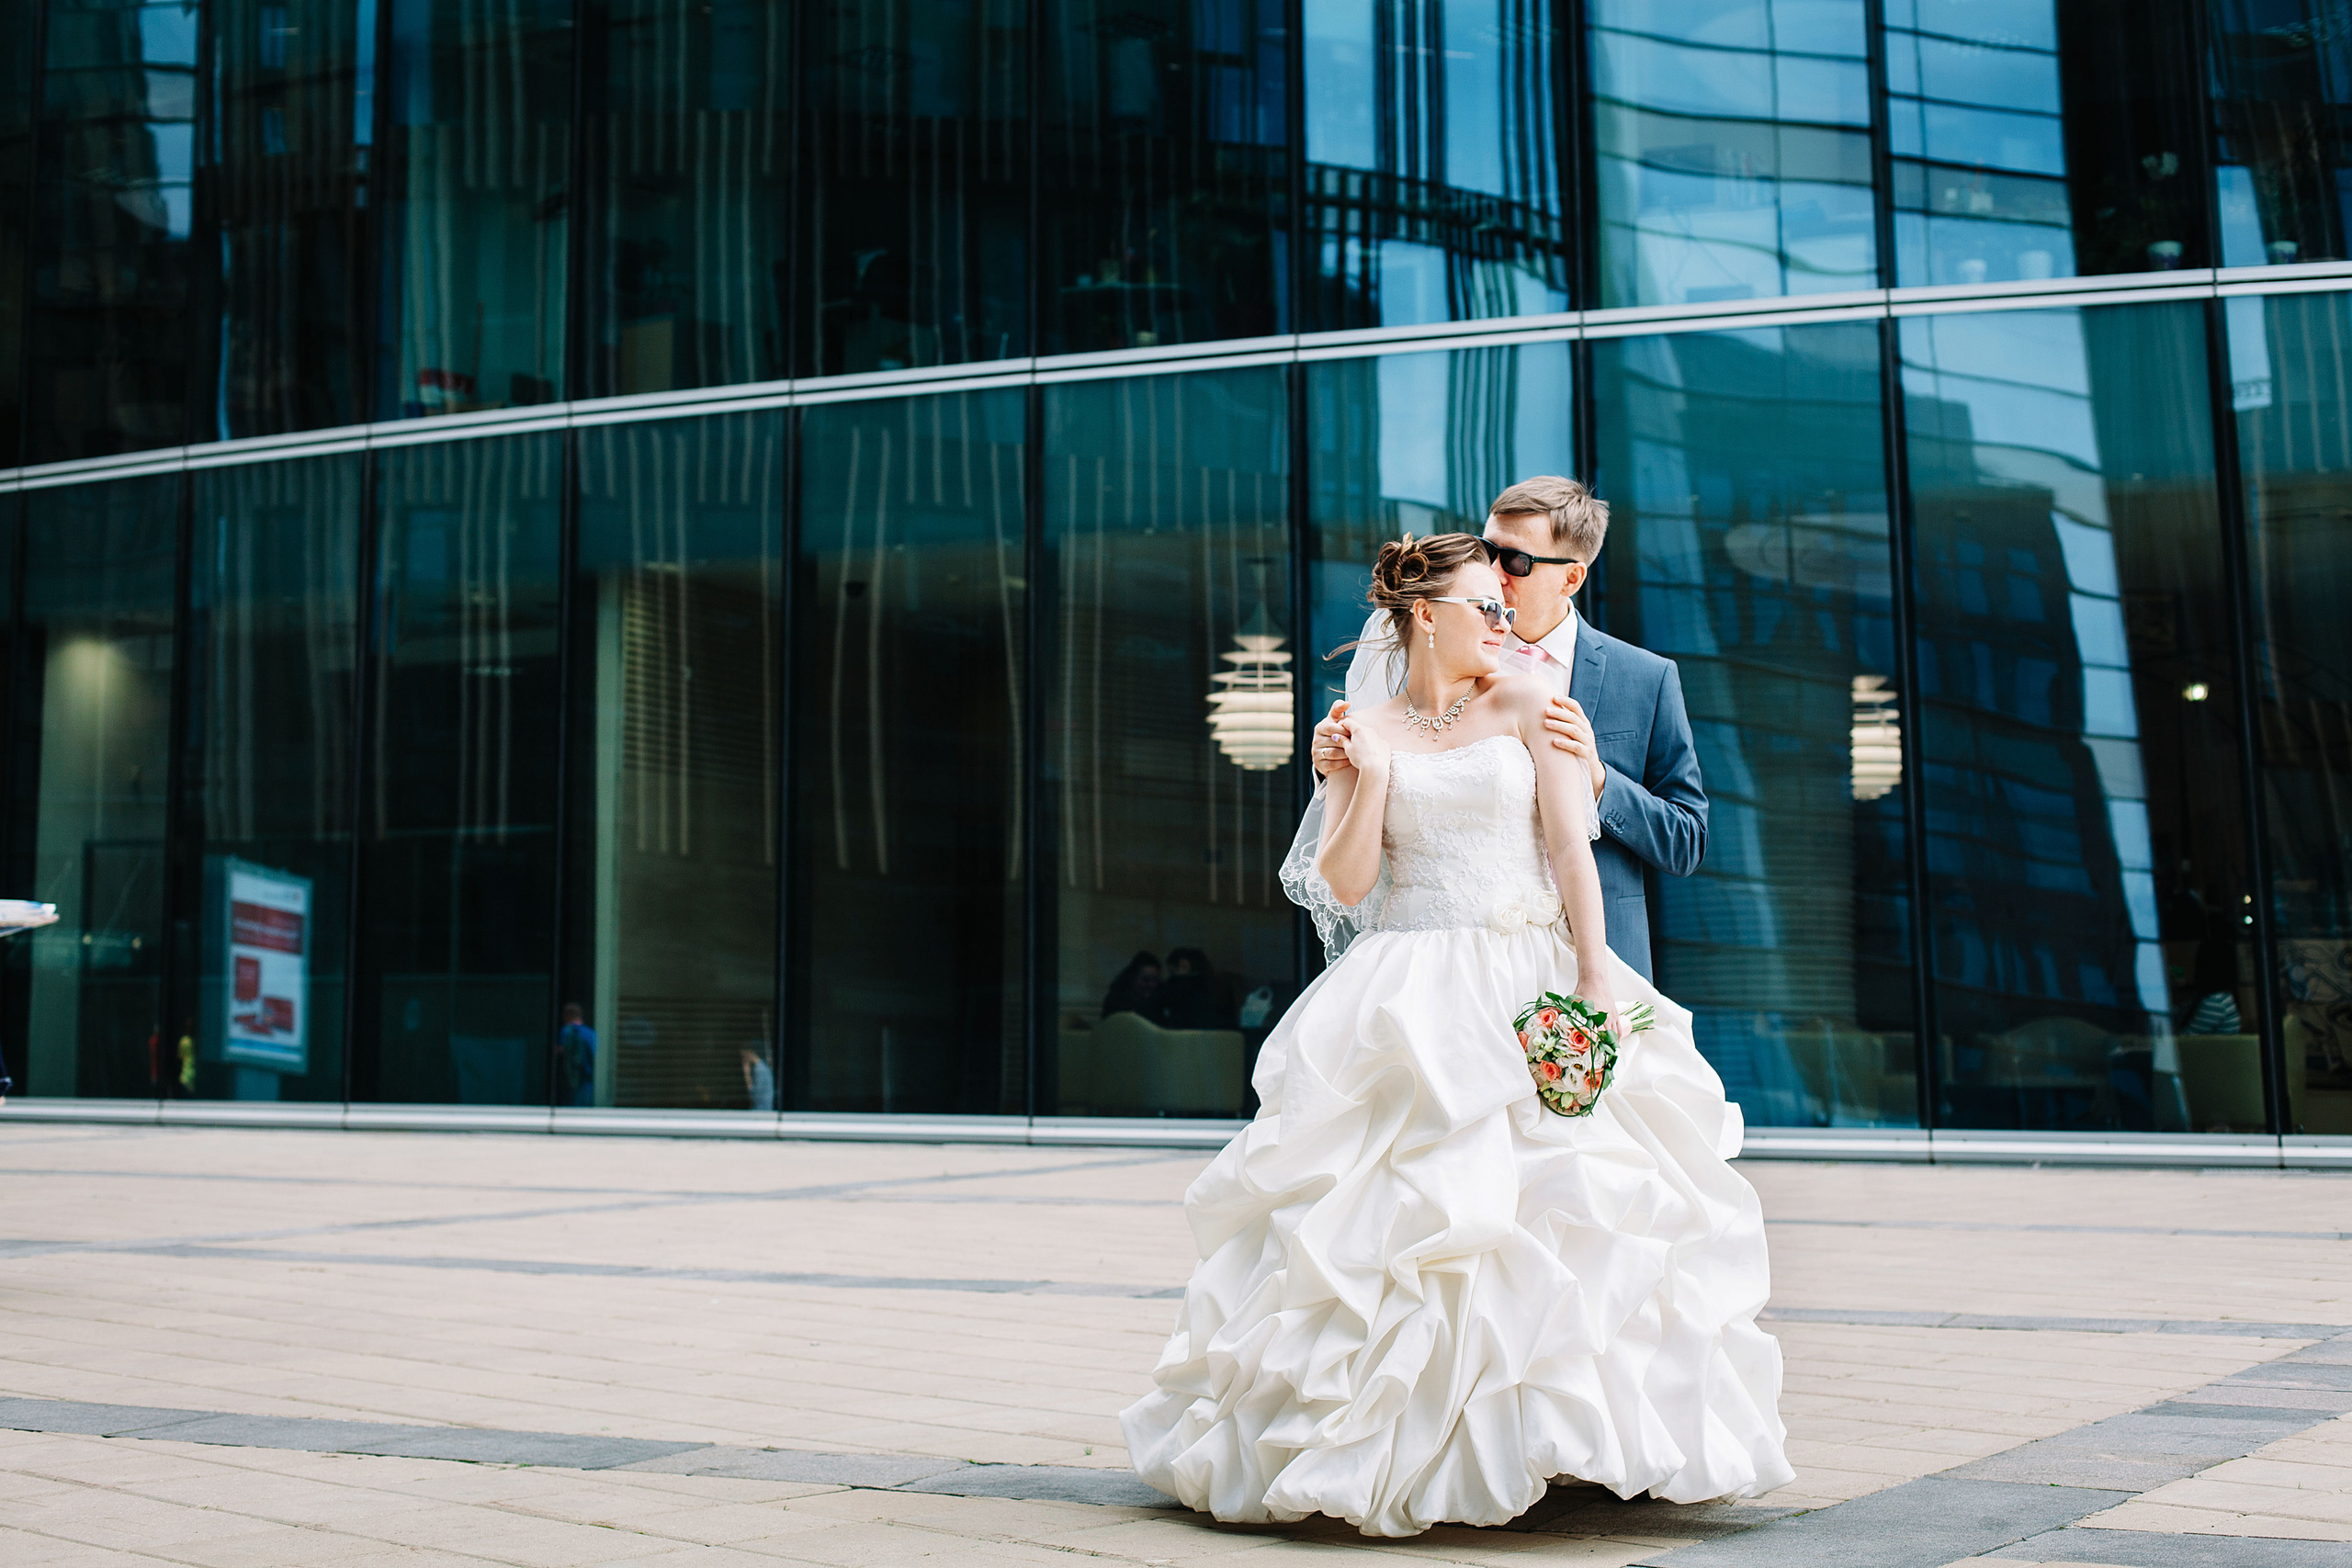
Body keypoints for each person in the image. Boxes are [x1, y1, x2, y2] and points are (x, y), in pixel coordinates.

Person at [1124, 533, 1789, 1537]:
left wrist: (1595, 974)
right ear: (1424, 614)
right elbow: (1343, 886)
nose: (1503, 618)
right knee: (1382, 1219)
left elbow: (1570, 847)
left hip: (1522, 974)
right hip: (1402, 985)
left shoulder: (1534, 704)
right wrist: (1371, 774)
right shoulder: (1361, 724)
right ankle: (1392, 1440)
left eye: (1505, 601)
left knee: (1554, 1208)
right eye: (1484, 603)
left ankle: (1566, 1441)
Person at [1311, 478, 1704, 981]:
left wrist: (1599, 778)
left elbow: (1687, 840)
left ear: (1572, 578)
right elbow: (1380, 775)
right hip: (1430, 959)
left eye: (1516, 561)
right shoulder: (1418, 653)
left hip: (1589, 958)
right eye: (1488, 550)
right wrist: (1333, 764)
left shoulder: (1646, 679)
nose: (1494, 572)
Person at [1102, 952, 1164, 1021]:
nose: (1151, 984)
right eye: (1145, 980)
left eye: (1155, 980)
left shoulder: (1162, 1000)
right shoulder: (1116, 1001)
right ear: (1132, 978)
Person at [557, 1004, 597, 1108]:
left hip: (573, 1082)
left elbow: (561, 1051)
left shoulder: (568, 1031)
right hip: (589, 1083)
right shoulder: (592, 1033)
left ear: (567, 1016)